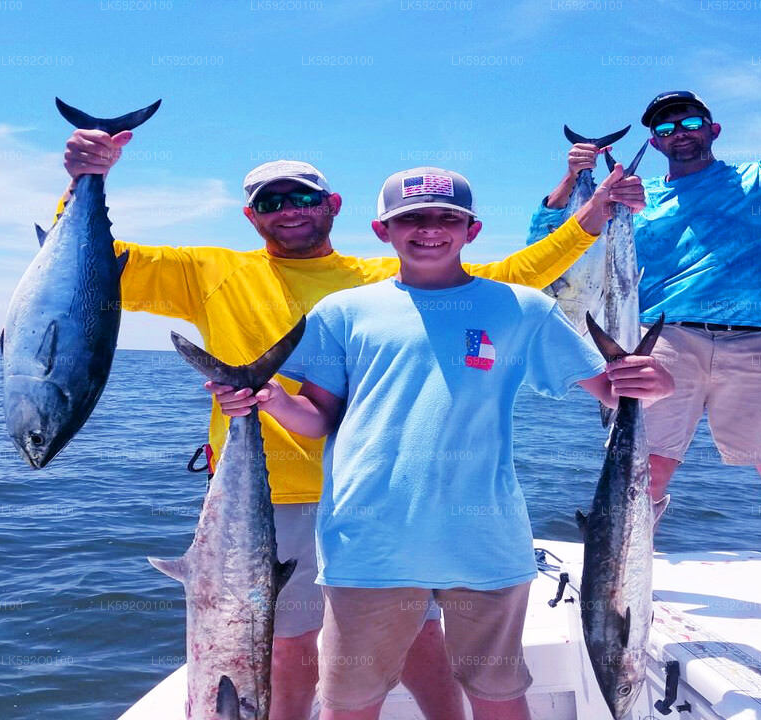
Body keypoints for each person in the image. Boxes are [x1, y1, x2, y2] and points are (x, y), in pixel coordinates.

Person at [59, 130, 643, 719]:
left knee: (420, 640)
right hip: (272, 495)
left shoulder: (375, 279)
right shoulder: (206, 270)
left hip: (391, 511)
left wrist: (590, 218)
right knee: (287, 646)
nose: (289, 211)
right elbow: (84, 266)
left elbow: (510, 279)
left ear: (333, 206)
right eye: (270, 202)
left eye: (303, 199)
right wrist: (85, 179)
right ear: (250, 215)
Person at [209, 166, 675, 720]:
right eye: (411, 218)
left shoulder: (521, 308)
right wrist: (268, 402)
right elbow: (316, 419)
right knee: (349, 702)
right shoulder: (343, 313)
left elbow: (609, 390)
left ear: (472, 230)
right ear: (383, 231)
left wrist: (658, 382)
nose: (430, 229)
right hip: (367, 543)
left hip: (486, 541)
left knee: (498, 692)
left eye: (447, 218)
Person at [526, 80, 761, 575]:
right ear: (657, 142)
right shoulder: (636, 200)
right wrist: (575, 178)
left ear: (713, 129)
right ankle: (623, 581)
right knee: (645, 467)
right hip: (662, 335)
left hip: (755, 340)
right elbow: (550, 242)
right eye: (665, 128)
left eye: (689, 122)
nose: (679, 132)